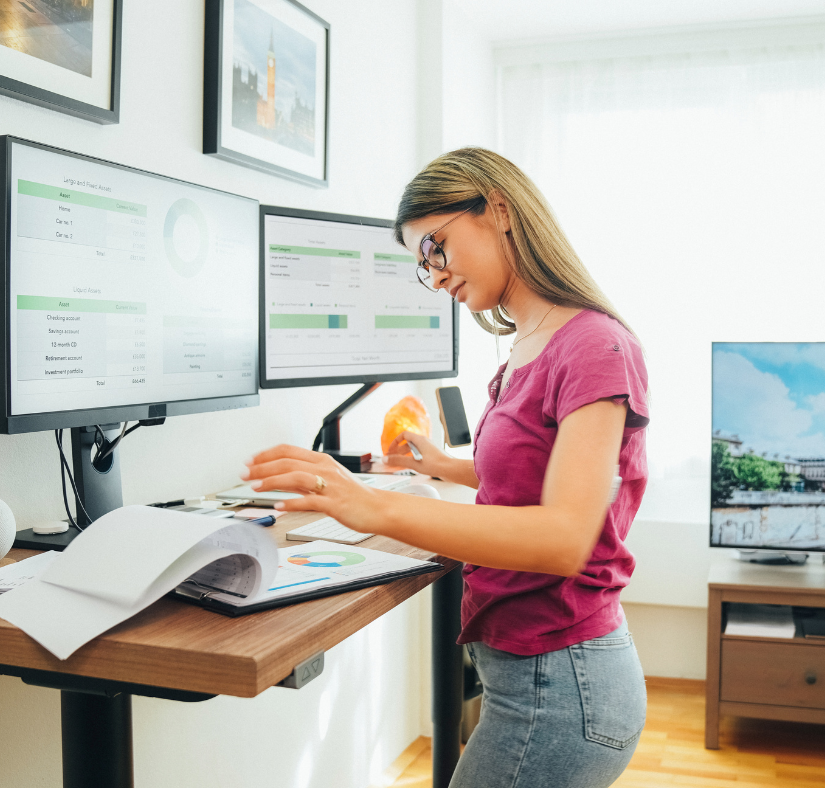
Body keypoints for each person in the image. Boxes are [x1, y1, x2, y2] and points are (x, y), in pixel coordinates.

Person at [241, 148, 649, 788]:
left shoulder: (595, 346)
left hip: (563, 684)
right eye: (421, 266)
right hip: (532, 674)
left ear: (501, 210)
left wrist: (372, 506)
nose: (433, 276)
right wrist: (446, 467)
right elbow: (530, 479)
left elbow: (565, 537)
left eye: (436, 249)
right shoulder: (528, 344)